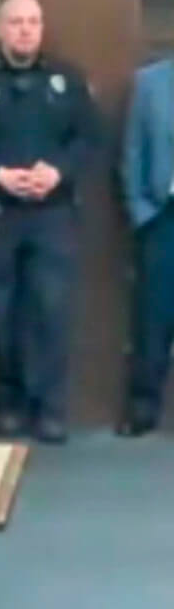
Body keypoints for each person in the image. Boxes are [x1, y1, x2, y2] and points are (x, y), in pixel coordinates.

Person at [0, 0, 99, 443]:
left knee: (50, 314)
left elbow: (89, 139)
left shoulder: (67, 81)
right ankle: (4, 405)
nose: (25, 29)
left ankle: (48, 410)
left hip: (52, 216)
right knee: (0, 314)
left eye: (33, 21)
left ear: (42, 28)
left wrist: (59, 172)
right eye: (16, 22)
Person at [119, 57, 174, 437]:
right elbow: (132, 150)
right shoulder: (150, 82)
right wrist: (142, 213)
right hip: (162, 216)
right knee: (152, 318)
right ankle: (142, 407)